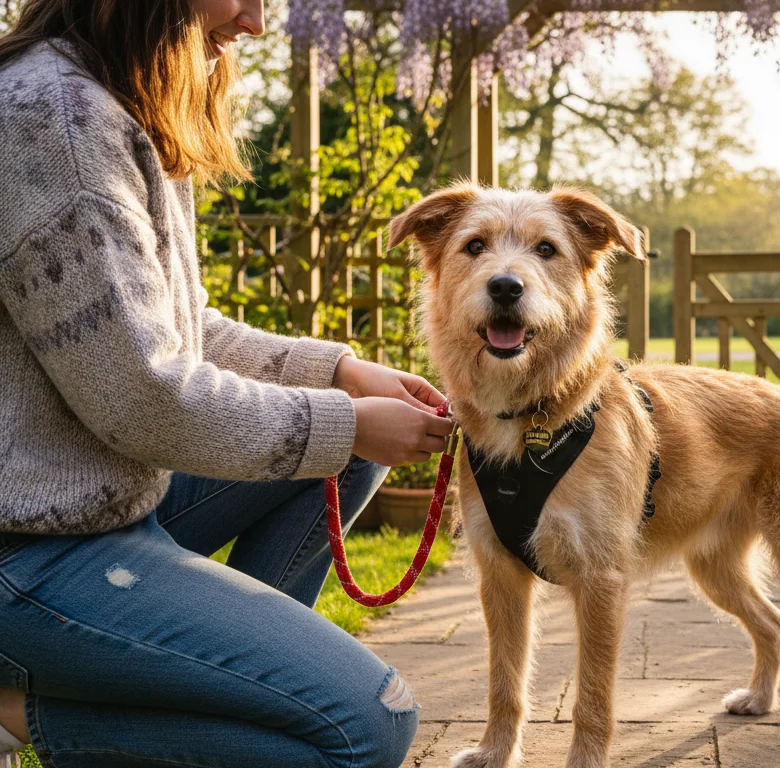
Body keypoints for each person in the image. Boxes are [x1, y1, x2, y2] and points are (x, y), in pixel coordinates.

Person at [0, 0, 455, 764]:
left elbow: (182, 329)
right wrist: (345, 418)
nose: (256, 22)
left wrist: (339, 373)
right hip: (27, 549)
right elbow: (143, 398)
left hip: (99, 505)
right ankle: (19, 713)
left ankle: (230, 687)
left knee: (346, 449)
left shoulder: (116, 95)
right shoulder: (56, 121)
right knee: (368, 724)